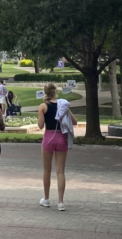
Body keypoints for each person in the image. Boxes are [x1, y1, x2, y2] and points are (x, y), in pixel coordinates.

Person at [38, 82, 74, 211]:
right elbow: (73, 122)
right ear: (56, 91)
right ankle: (60, 202)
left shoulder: (43, 106)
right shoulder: (63, 105)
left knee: (47, 170)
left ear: (45, 92)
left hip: (48, 138)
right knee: (60, 171)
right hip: (61, 138)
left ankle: (46, 199)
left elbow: (40, 126)